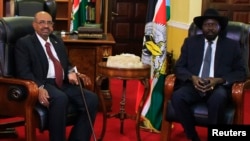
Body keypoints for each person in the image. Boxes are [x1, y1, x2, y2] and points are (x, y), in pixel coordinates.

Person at [14, 11, 99, 141]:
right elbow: (23, 71)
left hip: (62, 82)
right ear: (34, 25)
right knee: (60, 98)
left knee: (91, 99)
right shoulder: (25, 43)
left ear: (53, 26)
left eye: (49, 23)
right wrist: (39, 87)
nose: (46, 26)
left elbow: (67, 64)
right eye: (42, 22)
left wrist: (70, 72)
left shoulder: (57, 41)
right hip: (43, 82)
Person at [171, 8, 247, 141]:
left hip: (218, 87)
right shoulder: (190, 42)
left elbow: (242, 72)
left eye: (213, 25)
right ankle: (192, 136)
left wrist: (219, 80)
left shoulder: (232, 45)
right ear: (202, 27)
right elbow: (179, 67)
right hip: (194, 85)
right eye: (207, 25)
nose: (210, 28)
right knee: (177, 97)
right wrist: (192, 78)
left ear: (219, 27)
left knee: (217, 99)